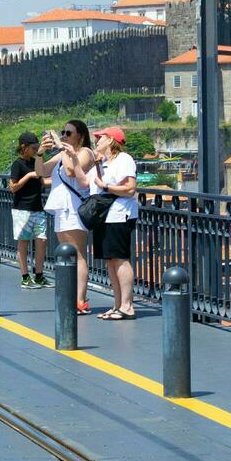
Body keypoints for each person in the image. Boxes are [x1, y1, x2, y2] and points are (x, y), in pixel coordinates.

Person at [37, 119, 95, 316]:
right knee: (67, 254)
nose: (64, 135)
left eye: (68, 133)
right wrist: (39, 153)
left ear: (80, 135)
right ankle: (73, 297)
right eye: (63, 132)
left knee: (77, 254)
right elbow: (41, 171)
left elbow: (71, 170)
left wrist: (62, 147)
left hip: (75, 209)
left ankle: (80, 299)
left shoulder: (85, 153)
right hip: (61, 208)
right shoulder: (64, 154)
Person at [90, 126, 139, 320]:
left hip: (120, 214)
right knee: (110, 259)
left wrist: (107, 186)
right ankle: (117, 304)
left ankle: (127, 305)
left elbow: (130, 188)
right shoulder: (104, 162)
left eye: (100, 137)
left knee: (120, 258)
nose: (97, 141)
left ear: (111, 140)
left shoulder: (124, 159)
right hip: (105, 216)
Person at [8, 132, 49, 290]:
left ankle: (39, 275)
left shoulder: (35, 161)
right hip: (22, 209)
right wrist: (28, 176)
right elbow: (13, 187)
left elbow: (43, 182)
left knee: (42, 240)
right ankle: (25, 277)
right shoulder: (17, 164)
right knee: (23, 242)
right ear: (24, 147)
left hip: (37, 207)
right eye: (33, 147)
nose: (35, 150)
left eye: (37, 147)